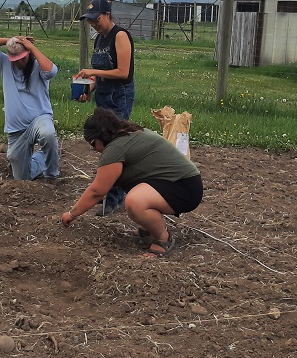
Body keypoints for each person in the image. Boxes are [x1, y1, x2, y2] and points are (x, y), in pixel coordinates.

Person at [61, 107, 202, 258]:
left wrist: (72, 213)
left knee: (135, 202)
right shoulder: (131, 133)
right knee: (137, 196)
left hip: (184, 188)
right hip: (184, 183)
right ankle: (149, 227)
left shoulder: (116, 148)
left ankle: (163, 238)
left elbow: (97, 191)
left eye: (92, 144)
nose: (94, 149)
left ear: (99, 139)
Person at [77, 0, 135, 214]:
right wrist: (87, 90)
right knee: (106, 145)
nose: (93, 23)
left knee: (116, 147)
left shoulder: (120, 36)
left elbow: (123, 72)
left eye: (96, 19)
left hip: (119, 97)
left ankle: (114, 198)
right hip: (103, 96)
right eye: (90, 20)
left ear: (107, 15)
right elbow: (100, 77)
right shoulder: (99, 39)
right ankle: (110, 194)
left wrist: (93, 72)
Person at [0, 35, 60, 182]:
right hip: (16, 130)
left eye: (23, 58)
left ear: (28, 54)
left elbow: (51, 72)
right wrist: (11, 39)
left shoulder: (38, 67)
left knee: (48, 134)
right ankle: (42, 158)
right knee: (22, 178)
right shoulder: (4, 63)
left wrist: (31, 47)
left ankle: (51, 175)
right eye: (15, 59)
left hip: (39, 120)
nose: (20, 62)